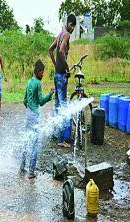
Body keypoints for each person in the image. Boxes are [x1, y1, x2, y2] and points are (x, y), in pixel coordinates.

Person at [20, 60, 54, 179]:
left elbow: (24, 100)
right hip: (34, 115)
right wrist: (50, 94)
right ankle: (31, 172)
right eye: (43, 72)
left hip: (28, 114)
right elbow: (41, 101)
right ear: (39, 71)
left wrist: (29, 110)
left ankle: (22, 167)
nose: (43, 75)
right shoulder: (38, 84)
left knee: (26, 140)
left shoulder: (29, 82)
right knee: (35, 143)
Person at [49, 13, 76, 148]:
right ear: (70, 24)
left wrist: (55, 65)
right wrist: (67, 68)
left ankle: (55, 134)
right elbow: (60, 51)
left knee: (56, 105)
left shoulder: (60, 34)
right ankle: (60, 139)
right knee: (62, 107)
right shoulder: (66, 35)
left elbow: (50, 49)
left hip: (56, 75)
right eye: (72, 26)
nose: (72, 29)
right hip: (61, 76)